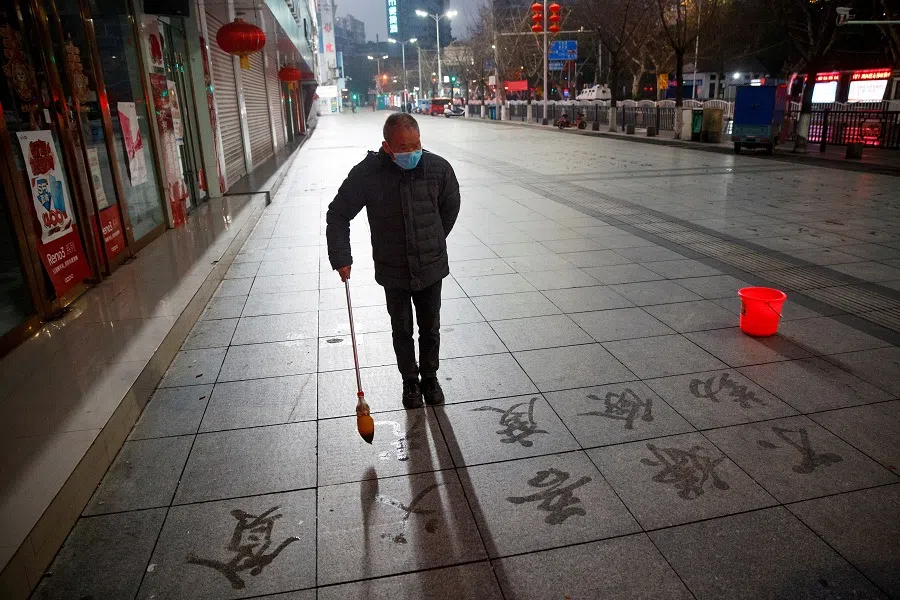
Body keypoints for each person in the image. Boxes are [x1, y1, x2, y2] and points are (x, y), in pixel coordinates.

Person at [326, 113, 461, 409]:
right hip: (393, 268)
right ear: (386, 146)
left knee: (430, 327)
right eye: (403, 148)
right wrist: (341, 257)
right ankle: (409, 380)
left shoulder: (438, 168)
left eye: (416, 145)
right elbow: (337, 214)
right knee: (401, 329)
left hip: (430, 265)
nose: (411, 153)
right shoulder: (368, 174)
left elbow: (449, 208)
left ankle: (430, 377)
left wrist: (434, 238)